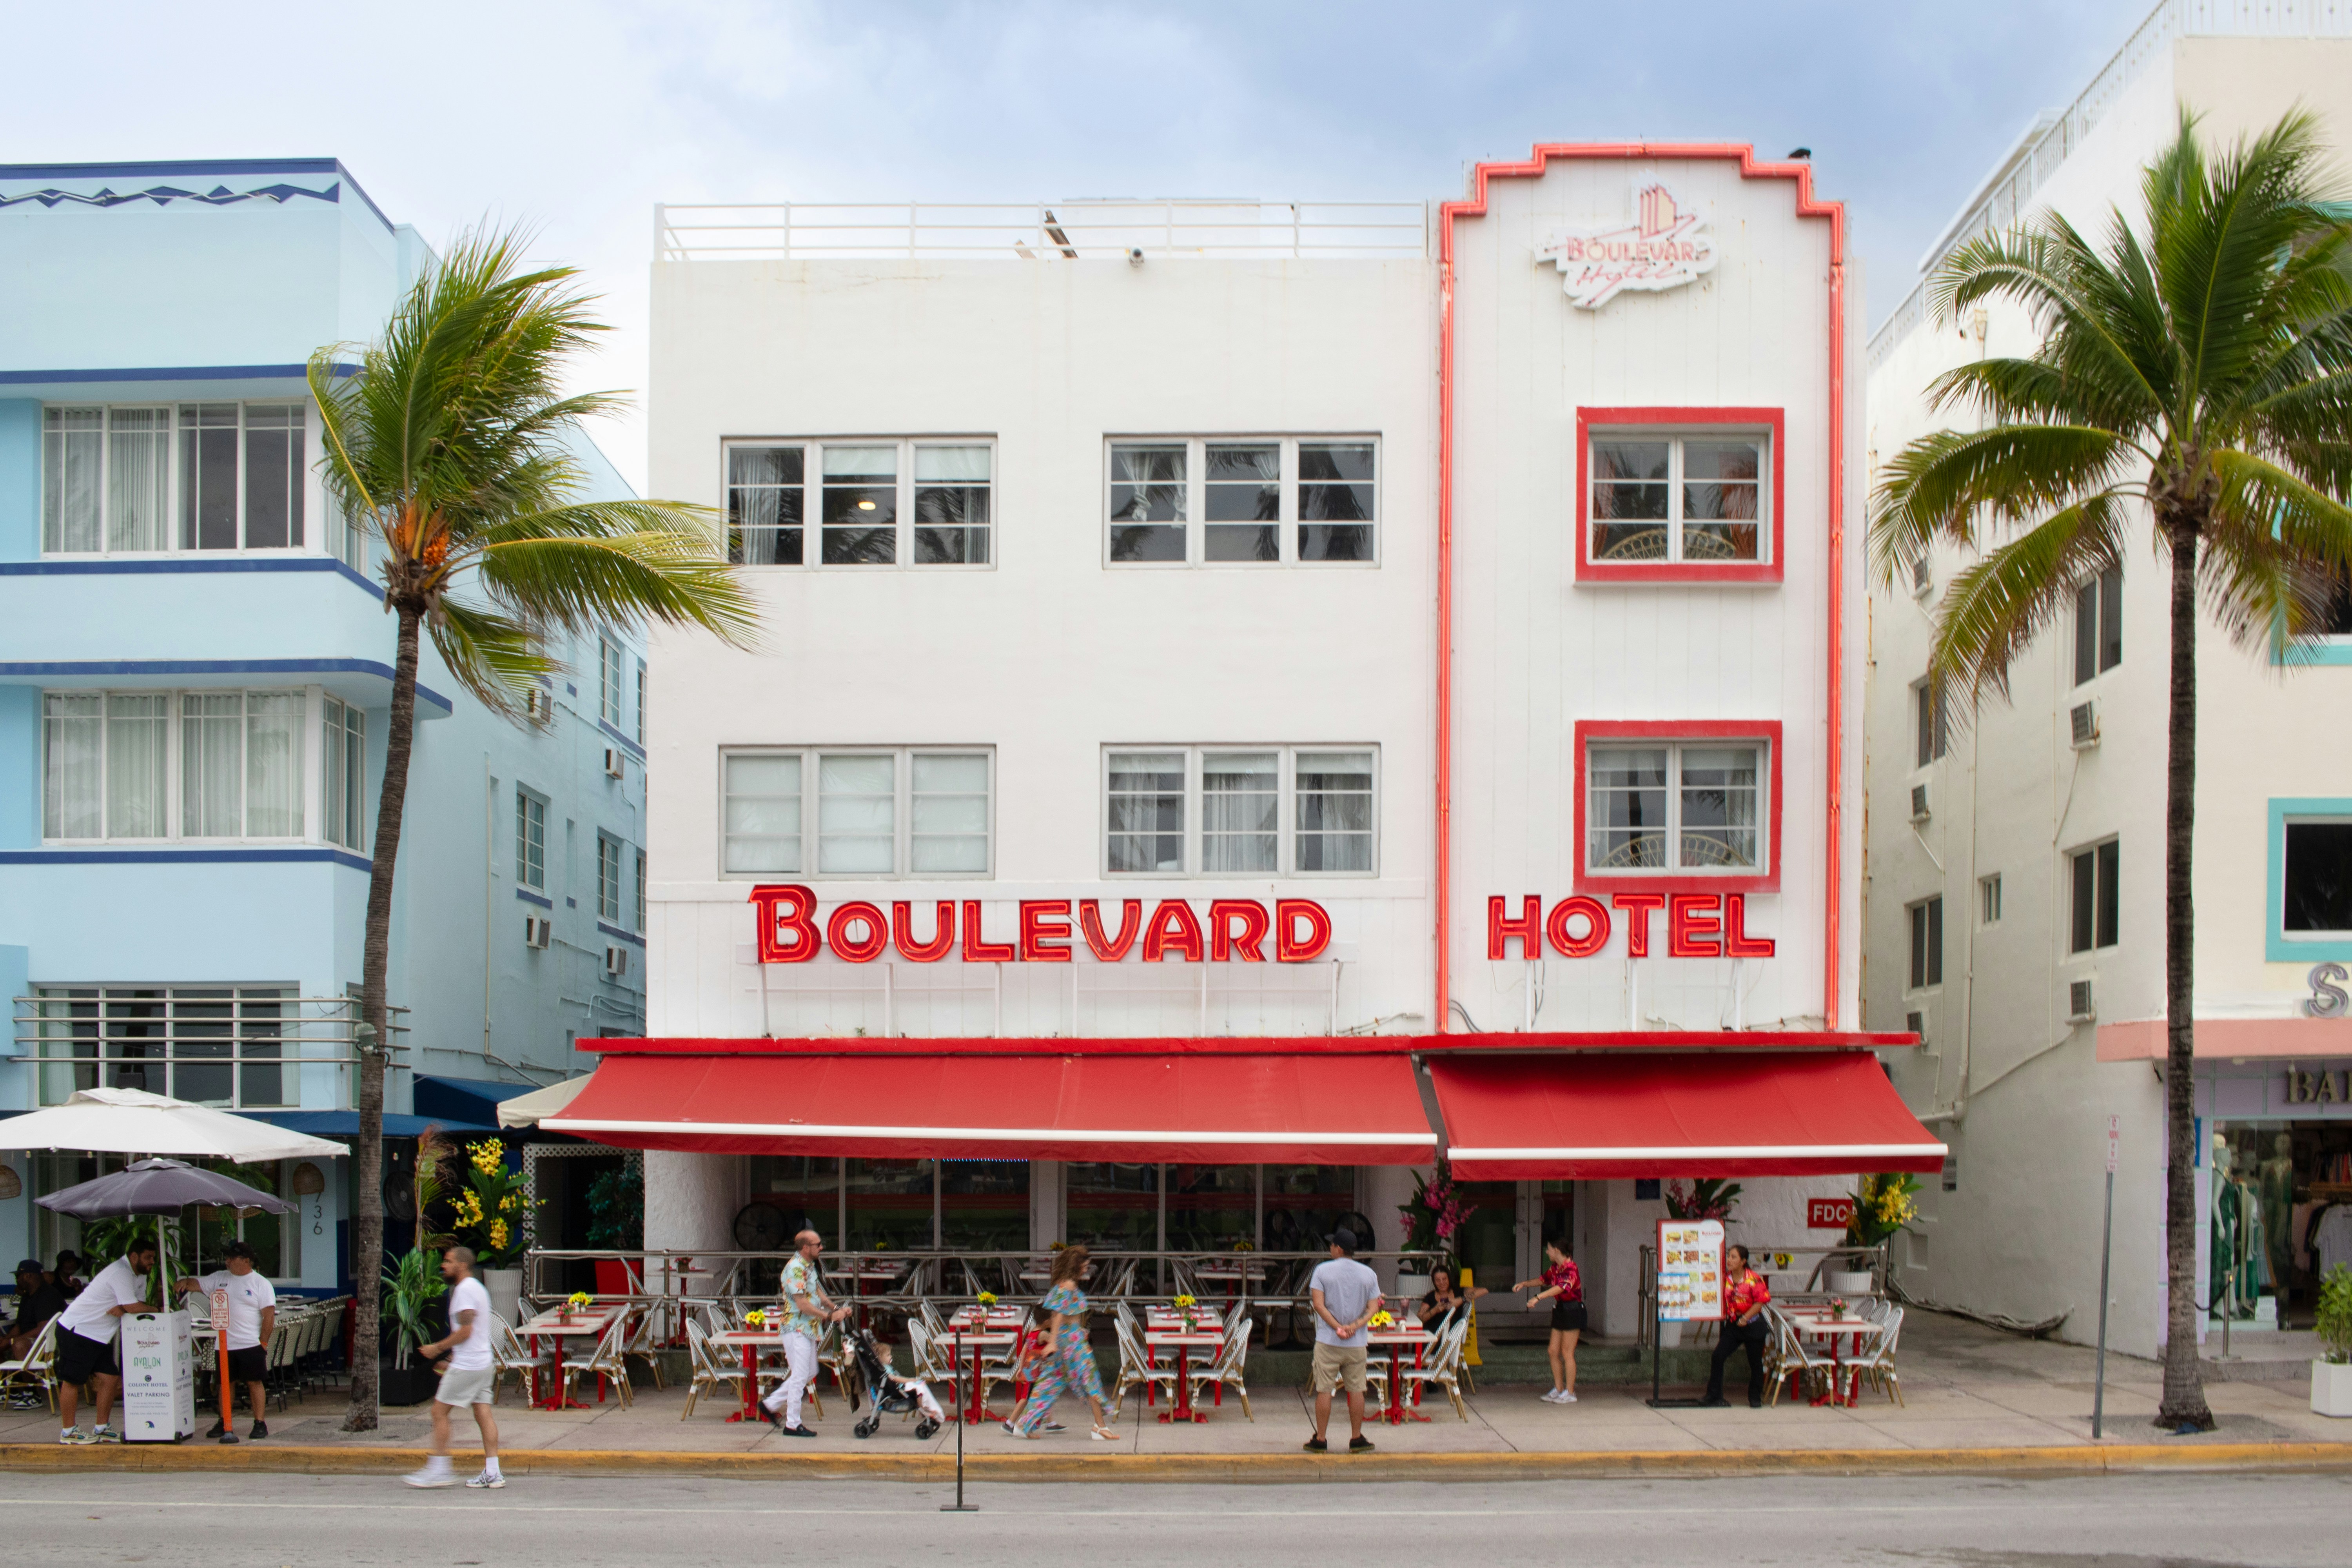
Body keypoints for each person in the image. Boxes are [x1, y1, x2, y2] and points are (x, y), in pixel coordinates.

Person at [403, 1246, 503, 1490]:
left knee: (438, 1413)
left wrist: (437, 1349)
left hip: (469, 1366)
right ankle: (493, 1472)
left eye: (448, 1262)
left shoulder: (465, 1290)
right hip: (481, 1363)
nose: (443, 1266)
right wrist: (450, 1359)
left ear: (462, 1265)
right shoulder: (476, 1288)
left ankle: (439, 1469)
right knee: (483, 1414)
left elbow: (466, 1331)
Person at [52, 1236, 158, 1444]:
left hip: (99, 1336)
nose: (152, 1262)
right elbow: (135, 1307)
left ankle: (102, 1428)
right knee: (73, 1381)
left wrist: (127, 1307)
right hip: (78, 1330)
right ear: (134, 1256)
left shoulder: (140, 1274)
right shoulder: (121, 1272)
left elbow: (135, 1305)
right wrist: (155, 1310)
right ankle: (69, 1431)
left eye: (154, 1258)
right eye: (148, 1258)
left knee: (111, 1378)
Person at [1008, 1244, 1114, 1441]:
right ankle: (1100, 1427)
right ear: (1076, 1265)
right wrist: (1053, 1341)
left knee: (1049, 1383)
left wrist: (1069, 1334)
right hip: (1072, 1345)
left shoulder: (1062, 1284)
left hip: (1069, 1340)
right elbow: (1058, 1314)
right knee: (1091, 1380)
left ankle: (1024, 1424)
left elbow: (1064, 1315)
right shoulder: (1068, 1286)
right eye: (1085, 1265)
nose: (1086, 1269)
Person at [173, 1239, 276, 1439]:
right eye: (227, 1257)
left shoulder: (260, 1283)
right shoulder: (220, 1278)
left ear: (246, 1261)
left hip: (250, 1343)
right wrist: (186, 1282)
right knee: (224, 1384)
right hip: (224, 1343)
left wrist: (263, 1343)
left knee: (254, 1382)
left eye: (232, 1258)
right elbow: (198, 1284)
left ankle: (260, 1422)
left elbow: (269, 1316)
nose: (227, 1261)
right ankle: (224, 1421)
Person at [762, 1229, 849, 1437]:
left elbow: (818, 1292)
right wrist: (829, 1317)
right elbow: (802, 1304)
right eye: (817, 1245)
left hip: (808, 1329)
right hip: (795, 1328)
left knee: (810, 1372)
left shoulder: (809, 1266)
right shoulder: (794, 1269)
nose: (821, 1247)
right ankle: (793, 1424)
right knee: (801, 1375)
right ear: (805, 1248)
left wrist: (835, 1309)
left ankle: (769, 1405)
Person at [1302, 1227, 1382, 1453]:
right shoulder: (1368, 1274)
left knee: (1324, 1389)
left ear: (1338, 1248)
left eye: (1332, 1245)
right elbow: (1374, 1307)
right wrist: (1354, 1327)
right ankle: (1356, 1438)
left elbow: (1318, 1304)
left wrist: (1338, 1328)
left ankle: (1321, 1438)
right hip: (1356, 1342)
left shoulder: (1323, 1271)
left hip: (1329, 1340)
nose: (1330, 1248)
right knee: (1356, 1389)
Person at [1703, 1244, 1773, 1408]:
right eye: (1729, 1256)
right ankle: (1713, 1395)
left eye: (1734, 1257)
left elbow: (1761, 1302)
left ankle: (1755, 1397)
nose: (1729, 1260)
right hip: (1734, 1325)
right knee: (1718, 1356)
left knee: (1755, 1362)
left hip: (1753, 1324)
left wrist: (1746, 1317)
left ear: (1743, 1261)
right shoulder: (1726, 1278)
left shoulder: (1753, 1278)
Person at [1516, 1238, 1584, 1403]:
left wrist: (1538, 1297)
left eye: (1549, 1249)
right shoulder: (1556, 1268)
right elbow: (1543, 1280)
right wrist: (1525, 1284)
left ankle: (1570, 1392)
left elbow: (1562, 1287)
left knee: (1567, 1353)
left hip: (1573, 1311)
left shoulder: (1571, 1268)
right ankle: (1559, 1388)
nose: (1547, 1252)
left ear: (1557, 1250)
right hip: (1561, 1310)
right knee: (1553, 1351)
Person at [9, 1260, 67, 1409]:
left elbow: (43, 1329)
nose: (17, 1280)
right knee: (8, 1342)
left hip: (50, 1345)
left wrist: (15, 1340)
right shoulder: (27, 1296)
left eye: (19, 1276)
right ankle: (12, 1389)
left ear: (28, 1276)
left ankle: (31, 1394)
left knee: (20, 1344)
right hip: (34, 1341)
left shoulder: (48, 1295)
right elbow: (18, 1327)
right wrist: (5, 1340)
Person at [1415, 1265, 1488, 1330]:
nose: (1442, 1283)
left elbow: (1485, 1290)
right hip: (1431, 1337)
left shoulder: (1459, 1292)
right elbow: (1420, 1319)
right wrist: (1435, 1310)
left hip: (1450, 1339)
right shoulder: (1430, 1297)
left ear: (1449, 1279)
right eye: (1438, 1280)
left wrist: (1461, 1300)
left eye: (1444, 1279)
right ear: (1434, 1282)